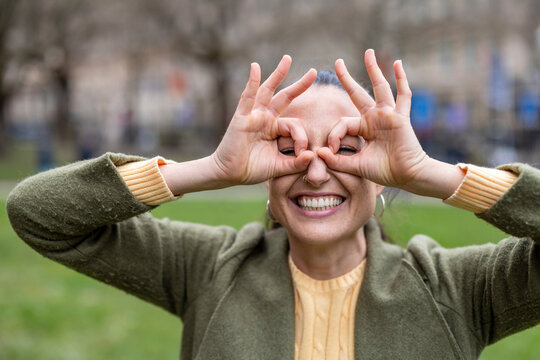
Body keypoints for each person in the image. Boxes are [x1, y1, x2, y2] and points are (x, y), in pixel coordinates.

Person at [7, 49, 540, 360]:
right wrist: (208, 170)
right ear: (262, 171)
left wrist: (437, 176)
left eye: (346, 150)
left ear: (383, 175)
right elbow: (38, 214)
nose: (314, 171)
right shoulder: (209, 270)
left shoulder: (457, 289)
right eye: (289, 149)